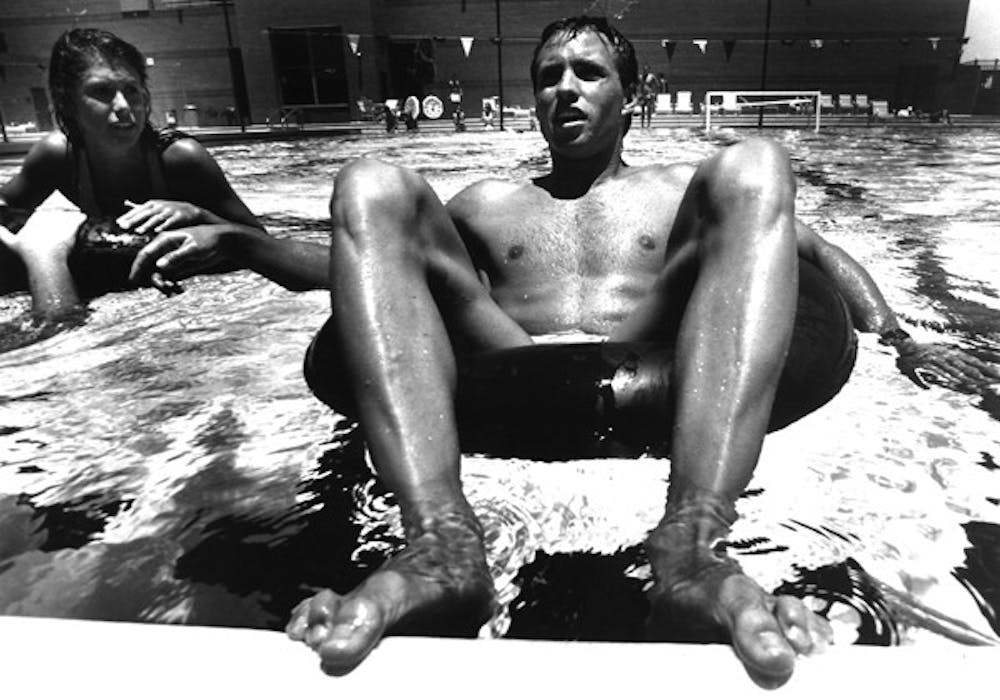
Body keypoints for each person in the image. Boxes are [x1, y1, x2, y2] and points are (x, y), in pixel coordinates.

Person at [286, 16, 999, 689]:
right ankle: (441, 542)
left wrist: (898, 336)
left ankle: (691, 540)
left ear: (633, 96)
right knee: (369, 182)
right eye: (548, 76)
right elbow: (374, 272)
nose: (564, 88)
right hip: (505, 350)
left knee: (756, 163)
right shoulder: (483, 202)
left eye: (588, 72)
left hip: (652, 343)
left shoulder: (678, 192)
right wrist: (249, 248)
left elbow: (815, 254)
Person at [0, 28, 326, 321]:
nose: (124, 105)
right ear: (68, 102)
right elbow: (8, 210)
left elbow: (262, 242)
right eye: (101, 92)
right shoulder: (59, 156)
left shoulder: (180, 158)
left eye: (132, 90)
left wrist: (196, 213)